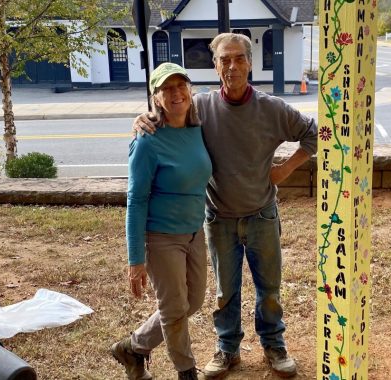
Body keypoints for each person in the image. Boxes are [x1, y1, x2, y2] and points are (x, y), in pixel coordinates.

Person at [134, 33, 318, 378]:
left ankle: (274, 344)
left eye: (238, 59)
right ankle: (227, 348)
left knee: (270, 290)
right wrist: (142, 118)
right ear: (215, 65)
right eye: (224, 60)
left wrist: (284, 169)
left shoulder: (272, 109)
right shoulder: (200, 107)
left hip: (262, 214)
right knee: (224, 293)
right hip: (219, 218)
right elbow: (168, 112)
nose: (232, 66)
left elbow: (313, 134)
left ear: (250, 63)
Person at [112, 62, 212, 380]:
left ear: (190, 90)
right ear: (156, 97)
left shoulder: (199, 127)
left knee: (192, 301)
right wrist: (135, 259)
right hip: (162, 237)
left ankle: (133, 347)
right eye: (166, 88)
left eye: (180, 85)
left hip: (195, 232)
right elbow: (136, 200)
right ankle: (187, 372)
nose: (176, 93)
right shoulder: (148, 141)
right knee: (173, 309)